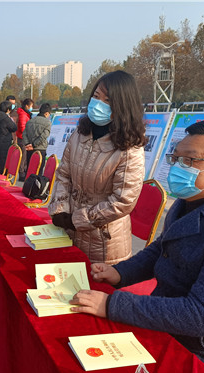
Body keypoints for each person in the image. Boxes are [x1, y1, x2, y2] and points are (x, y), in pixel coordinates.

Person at [71, 121, 204, 373]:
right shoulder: (190, 201)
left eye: (190, 161)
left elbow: (202, 316)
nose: (178, 168)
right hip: (169, 323)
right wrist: (121, 273)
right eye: (176, 158)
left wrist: (113, 304)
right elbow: (162, 248)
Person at [49, 70, 146, 264]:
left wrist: (77, 220)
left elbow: (122, 201)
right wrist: (61, 209)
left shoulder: (129, 149)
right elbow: (64, 174)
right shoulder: (80, 134)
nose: (98, 104)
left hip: (104, 242)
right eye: (96, 96)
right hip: (69, 231)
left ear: (123, 105)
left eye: (107, 100)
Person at [22, 102, 52, 175]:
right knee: (39, 171)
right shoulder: (47, 123)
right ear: (46, 113)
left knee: (30, 170)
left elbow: (24, 134)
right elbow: (43, 136)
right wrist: (34, 144)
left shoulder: (30, 121)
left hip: (29, 150)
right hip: (40, 149)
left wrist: (28, 144)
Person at [0, 100, 18, 174]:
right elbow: (14, 127)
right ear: (8, 110)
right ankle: (4, 176)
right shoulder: (5, 118)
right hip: (5, 143)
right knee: (4, 162)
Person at [16, 98, 34, 180]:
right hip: (23, 138)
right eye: (31, 106)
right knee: (23, 157)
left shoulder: (26, 114)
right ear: (26, 106)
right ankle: (22, 173)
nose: (31, 108)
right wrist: (27, 136)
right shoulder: (23, 114)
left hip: (24, 138)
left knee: (25, 156)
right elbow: (22, 127)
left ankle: (24, 172)